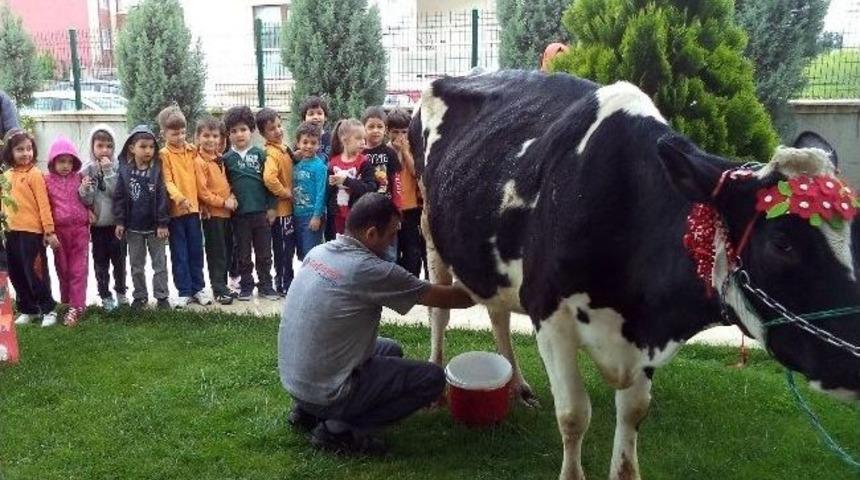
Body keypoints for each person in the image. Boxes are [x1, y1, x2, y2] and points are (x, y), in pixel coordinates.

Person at [278, 193, 475, 455]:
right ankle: (339, 430)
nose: (394, 241)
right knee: (431, 378)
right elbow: (454, 298)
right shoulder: (370, 270)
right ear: (371, 233)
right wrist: (491, 282)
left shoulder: (319, 251)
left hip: (296, 382)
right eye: (391, 235)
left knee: (390, 349)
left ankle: (307, 412)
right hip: (325, 390)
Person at [1, 129, 59, 327]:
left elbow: (44, 204)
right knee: (17, 272)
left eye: (28, 149)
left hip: (32, 234)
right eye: (20, 149)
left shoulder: (35, 174)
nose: (25, 153)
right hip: (10, 233)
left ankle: (48, 309)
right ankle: (28, 309)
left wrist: (49, 231)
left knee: (36, 272)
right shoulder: (6, 176)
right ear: (10, 152)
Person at [221, 106, 279, 301]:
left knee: (264, 253)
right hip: (239, 216)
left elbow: (270, 183)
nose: (239, 134)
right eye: (234, 131)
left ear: (252, 131)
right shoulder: (226, 159)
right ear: (228, 134)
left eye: (243, 129)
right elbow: (224, 184)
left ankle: (266, 285)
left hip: (261, 214)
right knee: (243, 254)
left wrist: (272, 207)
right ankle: (246, 285)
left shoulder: (261, 155)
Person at [113, 125, 171, 310]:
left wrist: (162, 223)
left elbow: (163, 197)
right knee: (136, 264)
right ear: (132, 148)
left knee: (159, 264)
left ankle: (162, 297)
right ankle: (140, 296)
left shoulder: (158, 171)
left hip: (155, 229)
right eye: (143, 146)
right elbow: (120, 198)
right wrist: (120, 222)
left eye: (151, 147)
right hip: (133, 228)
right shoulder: (125, 172)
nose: (148, 151)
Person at [158, 105, 211, 307]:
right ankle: (184, 290)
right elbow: (167, 181)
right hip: (176, 212)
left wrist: (203, 202)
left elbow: (199, 179)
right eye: (174, 133)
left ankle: (198, 287)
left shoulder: (192, 151)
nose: (180, 137)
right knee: (179, 252)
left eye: (182, 132)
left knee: (196, 250)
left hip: (194, 210)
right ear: (164, 133)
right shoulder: (164, 154)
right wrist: (179, 197)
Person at [80, 124, 127, 310]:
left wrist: (108, 172)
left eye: (108, 146)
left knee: (120, 261)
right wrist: (85, 188)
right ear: (92, 147)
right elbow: (86, 200)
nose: (104, 150)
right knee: (100, 263)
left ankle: (121, 292)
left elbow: (117, 193)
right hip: (98, 226)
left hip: (116, 225)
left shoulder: (118, 166)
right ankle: (105, 295)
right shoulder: (86, 169)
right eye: (100, 146)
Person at [44, 136, 90, 326]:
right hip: (59, 234)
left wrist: (90, 211)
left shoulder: (79, 178)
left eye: (70, 161)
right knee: (62, 269)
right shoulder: (46, 181)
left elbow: (86, 198)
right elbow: (43, 207)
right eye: (61, 161)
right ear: (53, 161)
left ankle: (77, 306)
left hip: (80, 230)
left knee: (78, 269)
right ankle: (67, 301)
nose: (66, 165)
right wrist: (48, 233)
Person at [194, 116, 237, 305]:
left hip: (228, 214)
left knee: (227, 250)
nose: (211, 140)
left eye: (214, 136)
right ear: (197, 137)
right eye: (206, 135)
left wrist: (233, 198)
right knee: (216, 252)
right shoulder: (199, 162)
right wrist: (223, 202)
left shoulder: (219, 159)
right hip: (214, 215)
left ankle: (224, 285)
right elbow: (203, 192)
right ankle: (218, 288)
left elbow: (226, 184)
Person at [259, 108, 296, 296]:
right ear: (263, 134)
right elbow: (269, 178)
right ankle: (282, 283)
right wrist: (285, 193)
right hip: (281, 212)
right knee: (282, 250)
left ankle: (287, 281)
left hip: (289, 211)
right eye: (272, 129)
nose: (278, 131)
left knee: (288, 249)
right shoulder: (271, 153)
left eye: (279, 126)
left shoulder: (283, 149)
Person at [362, 106, 402, 262]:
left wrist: (397, 212)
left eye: (380, 126)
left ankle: (388, 284)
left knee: (389, 254)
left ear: (385, 129)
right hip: (365, 210)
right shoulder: (360, 153)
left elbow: (397, 183)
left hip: (386, 211)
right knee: (366, 253)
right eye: (371, 126)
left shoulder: (389, 153)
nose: (375, 130)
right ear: (363, 128)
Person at [386, 108, 423, 277]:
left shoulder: (412, 151)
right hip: (391, 208)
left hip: (411, 207)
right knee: (393, 249)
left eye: (404, 131)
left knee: (412, 250)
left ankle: (412, 282)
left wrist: (405, 151)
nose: (400, 136)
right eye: (395, 132)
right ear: (388, 132)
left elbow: (415, 172)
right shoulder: (385, 151)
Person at [327, 118, 376, 236]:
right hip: (337, 217)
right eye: (358, 138)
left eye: (364, 138)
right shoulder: (333, 163)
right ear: (345, 139)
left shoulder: (364, 163)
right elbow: (328, 193)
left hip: (358, 217)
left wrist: (346, 181)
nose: (363, 142)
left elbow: (370, 188)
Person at [291, 122, 327, 260]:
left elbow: (321, 193)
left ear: (318, 145)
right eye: (305, 142)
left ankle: (312, 281)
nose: (309, 146)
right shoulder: (296, 164)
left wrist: (317, 216)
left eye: (313, 143)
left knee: (310, 254)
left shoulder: (319, 167)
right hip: (296, 215)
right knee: (301, 255)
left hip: (311, 216)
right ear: (298, 143)